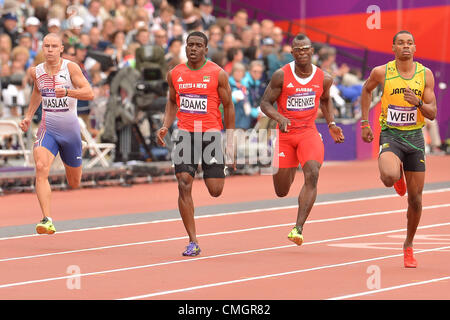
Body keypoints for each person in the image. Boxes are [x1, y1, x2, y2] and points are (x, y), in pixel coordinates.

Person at [360, 31, 437, 268]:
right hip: (391, 135)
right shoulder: (381, 72)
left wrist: (418, 103)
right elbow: (366, 90)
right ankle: (397, 178)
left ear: (415, 48)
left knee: (415, 200)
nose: (406, 46)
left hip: (415, 138)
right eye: (401, 43)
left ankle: (408, 245)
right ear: (393, 48)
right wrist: (364, 122)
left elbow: (432, 113)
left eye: (409, 43)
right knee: (389, 176)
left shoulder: (425, 74)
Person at [260, 33, 344, 246]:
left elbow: (325, 101)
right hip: (286, 135)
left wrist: (332, 124)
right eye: (298, 49)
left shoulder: (324, 78)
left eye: (306, 49)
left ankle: (298, 228)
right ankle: (291, 164)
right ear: (292, 53)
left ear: (312, 51)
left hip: (308, 133)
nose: (303, 52)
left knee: (313, 173)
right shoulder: (281, 75)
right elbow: (265, 103)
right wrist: (279, 117)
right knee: (281, 191)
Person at [156, 31, 235, 257]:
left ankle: (217, 169)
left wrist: (230, 141)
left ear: (206, 49)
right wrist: (165, 124)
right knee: (183, 183)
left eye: (198, 45)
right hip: (185, 134)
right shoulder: (175, 74)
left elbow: (229, 107)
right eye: (190, 45)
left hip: (210, 134)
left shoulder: (217, 74)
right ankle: (192, 241)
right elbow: (172, 102)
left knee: (215, 191)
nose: (193, 48)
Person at [19, 33, 94, 234]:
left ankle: (80, 148)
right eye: (46, 46)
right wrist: (28, 116)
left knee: (74, 182)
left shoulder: (70, 68)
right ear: (42, 48)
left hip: (70, 133)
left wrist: (68, 92)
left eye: (54, 46)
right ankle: (47, 219)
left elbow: (89, 93)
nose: (50, 49)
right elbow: (37, 92)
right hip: (48, 129)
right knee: (41, 166)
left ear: (61, 48)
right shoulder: (36, 71)